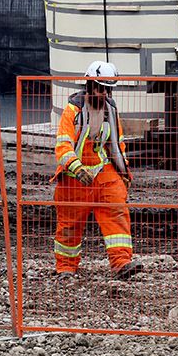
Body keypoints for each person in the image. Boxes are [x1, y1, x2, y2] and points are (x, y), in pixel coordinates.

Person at [52, 60, 143, 280]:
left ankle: (122, 263)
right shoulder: (73, 111)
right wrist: (77, 168)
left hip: (103, 173)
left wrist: (124, 173)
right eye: (100, 89)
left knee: (117, 213)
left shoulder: (110, 110)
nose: (104, 94)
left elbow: (117, 144)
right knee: (69, 225)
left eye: (107, 90)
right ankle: (66, 268)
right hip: (74, 178)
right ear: (90, 85)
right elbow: (63, 146)